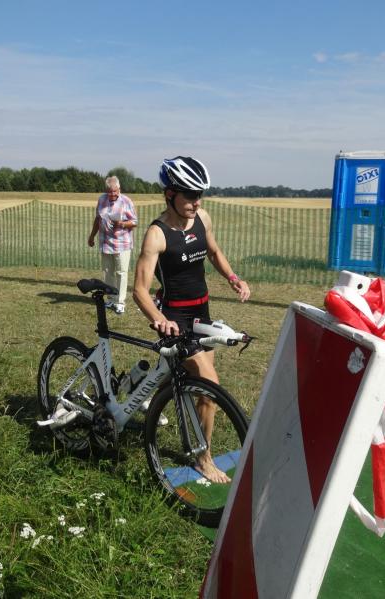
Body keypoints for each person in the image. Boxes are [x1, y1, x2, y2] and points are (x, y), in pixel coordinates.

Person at [133, 156, 251, 483]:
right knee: (210, 387)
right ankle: (203, 458)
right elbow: (140, 290)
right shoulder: (157, 234)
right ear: (170, 194)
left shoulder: (202, 218)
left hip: (202, 314)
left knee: (191, 382)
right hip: (175, 318)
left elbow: (213, 251)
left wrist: (233, 277)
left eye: (200, 195)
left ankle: (140, 386)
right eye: (190, 195)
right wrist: (159, 319)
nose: (196, 202)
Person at [88, 176, 137, 314]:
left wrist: (122, 224)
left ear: (119, 189)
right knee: (107, 272)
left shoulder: (126, 201)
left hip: (122, 244)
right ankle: (111, 299)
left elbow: (134, 222)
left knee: (121, 272)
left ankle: (120, 302)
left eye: (115, 191)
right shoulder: (101, 199)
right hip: (106, 243)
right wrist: (92, 236)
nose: (112, 194)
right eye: (109, 191)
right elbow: (98, 219)